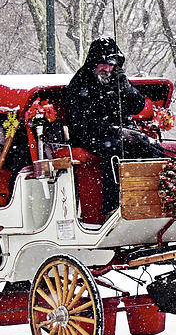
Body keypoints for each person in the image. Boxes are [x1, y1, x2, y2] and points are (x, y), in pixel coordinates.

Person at [64, 37, 161, 213]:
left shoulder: (116, 79)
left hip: (121, 133)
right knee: (116, 151)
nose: (107, 69)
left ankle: (152, 202)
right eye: (103, 64)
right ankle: (113, 208)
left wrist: (127, 88)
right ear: (94, 62)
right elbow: (81, 123)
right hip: (90, 137)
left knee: (153, 149)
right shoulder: (79, 84)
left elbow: (138, 106)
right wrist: (116, 131)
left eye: (111, 64)